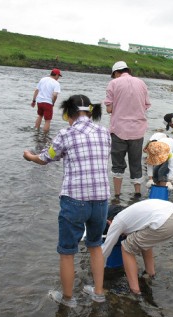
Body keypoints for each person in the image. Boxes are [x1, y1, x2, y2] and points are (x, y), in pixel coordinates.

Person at [23, 94, 111, 305]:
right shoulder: (105, 132)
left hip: (75, 199)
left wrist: (30, 156)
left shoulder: (66, 134)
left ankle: (68, 298)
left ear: (69, 113)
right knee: (95, 245)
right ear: (90, 112)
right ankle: (98, 292)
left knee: (67, 252)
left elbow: (46, 158)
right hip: (101, 200)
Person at [102, 200, 173, 295]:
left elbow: (104, 252)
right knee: (144, 239)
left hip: (165, 221)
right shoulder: (131, 215)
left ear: (108, 222)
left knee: (126, 247)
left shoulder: (117, 221)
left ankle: (135, 291)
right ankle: (150, 273)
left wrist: (97, 268)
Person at [104, 61, 151, 198]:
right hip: (138, 130)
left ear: (115, 73)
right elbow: (146, 105)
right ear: (127, 70)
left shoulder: (113, 84)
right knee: (136, 162)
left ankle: (117, 196)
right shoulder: (141, 83)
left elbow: (109, 109)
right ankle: (137, 193)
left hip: (119, 129)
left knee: (117, 164)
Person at [30, 68, 62, 133]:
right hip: (48, 103)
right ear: (56, 75)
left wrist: (33, 101)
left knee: (40, 116)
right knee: (47, 120)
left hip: (39, 102)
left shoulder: (43, 79)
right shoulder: (56, 83)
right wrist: (53, 103)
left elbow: (36, 90)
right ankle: (45, 135)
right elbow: (55, 95)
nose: (58, 77)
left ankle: (36, 131)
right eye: (58, 76)